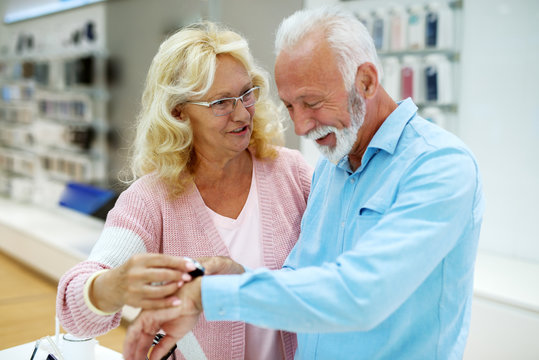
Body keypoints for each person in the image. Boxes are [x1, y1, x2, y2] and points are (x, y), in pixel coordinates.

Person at [123, 6, 485, 360]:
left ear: (367, 82)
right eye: (291, 106)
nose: (301, 126)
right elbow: (304, 274)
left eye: (312, 103)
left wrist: (210, 295)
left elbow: (360, 295)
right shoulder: (333, 165)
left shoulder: (439, 166)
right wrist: (237, 274)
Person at [56, 21, 313, 360]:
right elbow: (74, 307)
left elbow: (333, 276)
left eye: (246, 93)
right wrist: (114, 285)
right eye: (221, 102)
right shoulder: (151, 199)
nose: (242, 113)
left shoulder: (290, 173)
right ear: (178, 112)